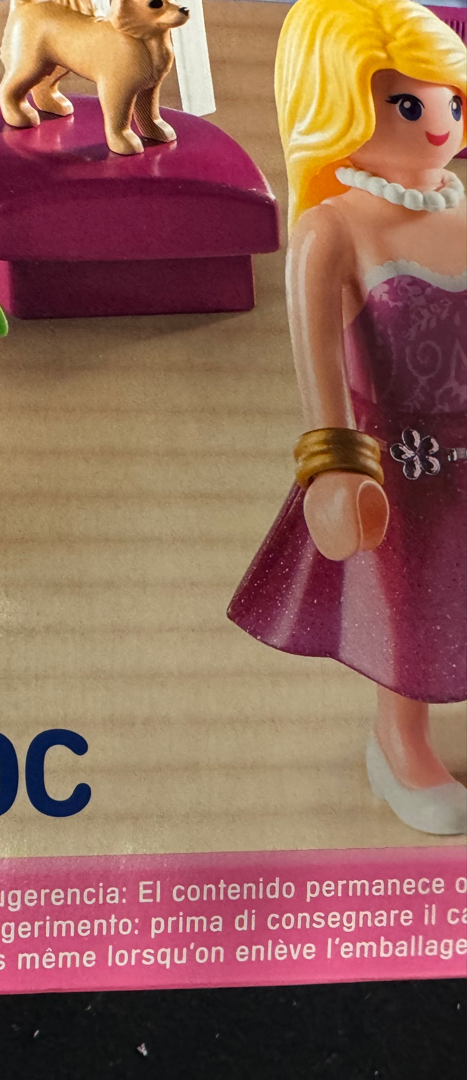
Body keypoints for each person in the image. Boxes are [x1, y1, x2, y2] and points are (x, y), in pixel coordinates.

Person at [228, 0, 465, 834]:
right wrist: (332, 467)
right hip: (400, 460)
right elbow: (318, 368)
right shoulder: (331, 229)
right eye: (407, 102)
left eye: (451, 99)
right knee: (413, 604)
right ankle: (400, 741)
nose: (438, 123)